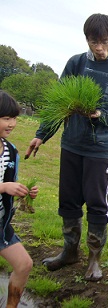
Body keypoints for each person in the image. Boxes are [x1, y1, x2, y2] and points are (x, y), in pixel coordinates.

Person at [24, 13, 108, 282]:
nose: (99, 48)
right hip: (72, 144)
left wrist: (101, 115)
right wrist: (42, 135)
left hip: (100, 150)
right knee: (69, 200)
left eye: (105, 42)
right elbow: (58, 104)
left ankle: (94, 260)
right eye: (94, 41)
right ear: (86, 39)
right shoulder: (76, 63)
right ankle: (69, 251)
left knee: (98, 204)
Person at [0, 90, 39, 307]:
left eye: (14, 118)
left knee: (24, 265)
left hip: (1, 223)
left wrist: (23, 192)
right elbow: (4, 186)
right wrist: (4, 187)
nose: (12, 123)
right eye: (6, 118)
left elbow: (8, 185)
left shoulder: (11, 151)